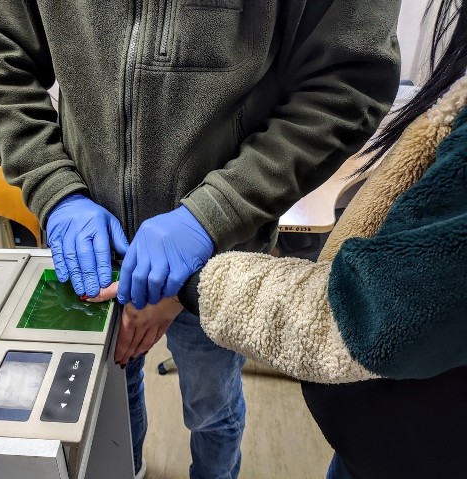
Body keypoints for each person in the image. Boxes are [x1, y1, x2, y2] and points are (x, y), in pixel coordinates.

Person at [0, 2, 401, 477]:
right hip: (97, 252)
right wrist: (56, 188)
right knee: (110, 384)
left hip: (216, 259)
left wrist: (211, 218)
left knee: (211, 405)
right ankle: (125, 466)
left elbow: (345, 87)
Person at [184, 1, 467, 477]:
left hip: (418, 444)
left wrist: (188, 277)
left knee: (210, 407)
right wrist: (61, 192)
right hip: (392, 432)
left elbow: (370, 317)